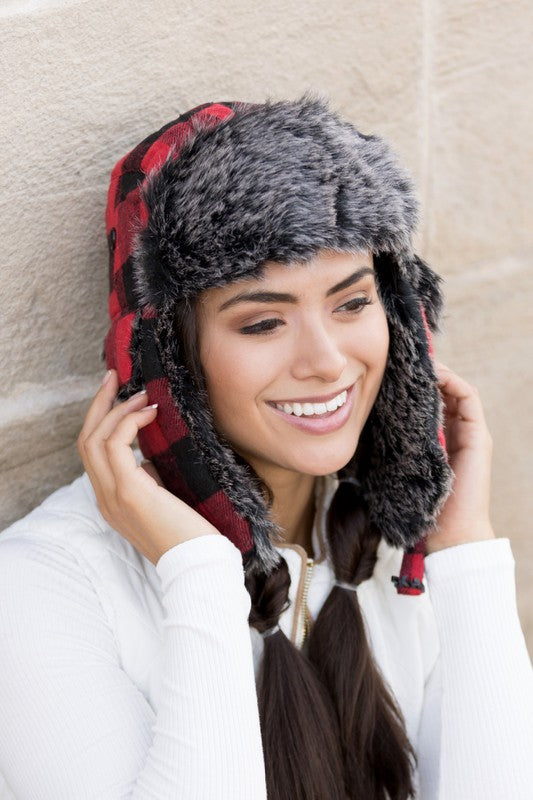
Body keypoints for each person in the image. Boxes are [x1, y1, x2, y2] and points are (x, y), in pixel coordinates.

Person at [0, 95, 532, 800]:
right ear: (173, 359)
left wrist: (463, 550)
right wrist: (197, 572)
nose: (326, 361)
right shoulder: (44, 587)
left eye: (350, 304)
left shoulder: (397, 551)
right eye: (261, 324)